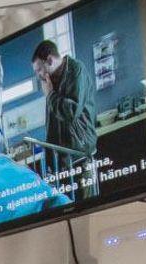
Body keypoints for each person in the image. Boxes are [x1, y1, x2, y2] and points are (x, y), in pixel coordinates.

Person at [31, 38, 99, 200]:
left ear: (49, 60)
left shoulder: (76, 71)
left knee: (88, 206)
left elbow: (71, 112)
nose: (38, 75)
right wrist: (50, 159)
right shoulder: (51, 81)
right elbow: (53, 123)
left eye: (39, 69)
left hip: (81, 154)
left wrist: (51, 95)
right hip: (65, 159)